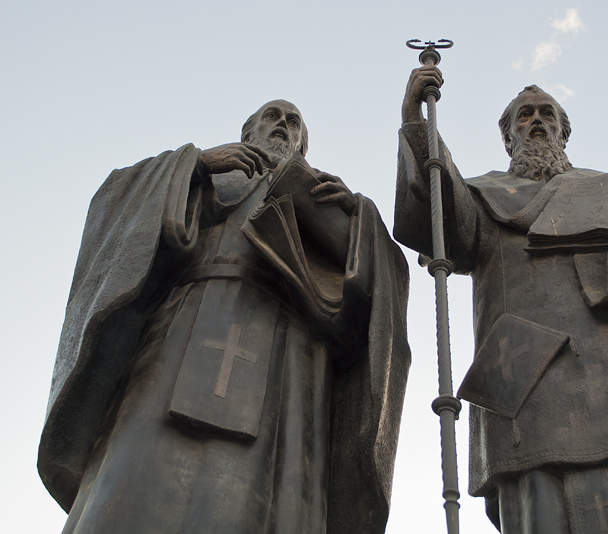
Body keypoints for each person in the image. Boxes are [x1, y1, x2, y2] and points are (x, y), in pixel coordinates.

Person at [394, 67, 608, 533]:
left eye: (547, 114)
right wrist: (417, 123)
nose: (536, 121)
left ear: (564, 131)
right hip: (527, 368)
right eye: (524, 116)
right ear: (508, 137)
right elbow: (439, 221)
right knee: (543, 493)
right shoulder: (480, 194)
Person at [39, 100, 411, 534]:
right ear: (248, 131)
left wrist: (360, 218)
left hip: (290, 355)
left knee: (270, 492)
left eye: (293, 123)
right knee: (133, 476)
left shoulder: (322, 195)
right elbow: (114, 201)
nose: (282, 126)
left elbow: (375, 298)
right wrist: (194, 164)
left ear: (302, 145)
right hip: (180, 331)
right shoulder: (211, 174)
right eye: (272, 116)